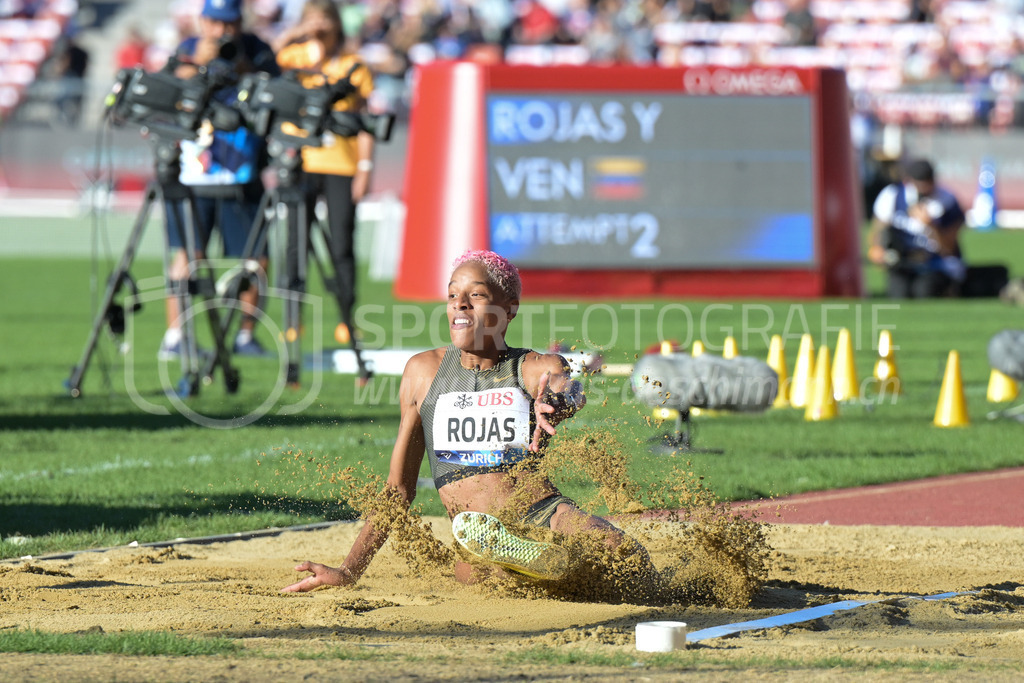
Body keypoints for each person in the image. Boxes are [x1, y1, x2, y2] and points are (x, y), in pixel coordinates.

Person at [282, 250, 658, 596]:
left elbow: (567, 387)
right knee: (489, 575)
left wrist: (558, 402)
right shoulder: (423, 372)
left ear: (509, 309)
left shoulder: (532, 367)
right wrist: (349, 571)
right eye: (451, 295)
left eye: (475, 295)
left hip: (543, 514)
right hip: (477, 544)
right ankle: (539, 562)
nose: (459, 303)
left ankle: (559, 562)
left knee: (622, 555)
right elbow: (398, 492)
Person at [158, 0, 281, 360]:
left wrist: (242, 67)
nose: (222, 32)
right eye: (215, 23)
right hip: (194, 172)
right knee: (187, 255)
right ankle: (175, 336)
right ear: (203, 22)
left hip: (243, 173)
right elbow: (171, 94)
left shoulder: (256, 50)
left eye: (228, 24)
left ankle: (245, 335)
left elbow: (273, 93)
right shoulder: (186, 50)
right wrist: (200, 61)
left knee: (256, 258)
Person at [273, 0, 376, 346]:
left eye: (324, 18)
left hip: (341, 165)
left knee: (341, 244)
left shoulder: (353, 66)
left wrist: (365, 168)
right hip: (301, 162)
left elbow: (365, 123)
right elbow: (267, 61)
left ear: (337, 24)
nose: (318, 24)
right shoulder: (295, 58)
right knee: (295, 244)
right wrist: (296, 34)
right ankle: (292, 319)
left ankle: (347, 318)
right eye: (312, 18)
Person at [867, 158, 966, 299]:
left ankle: (950, 290)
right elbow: (877, 230)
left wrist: (930, 225)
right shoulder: (892, 196)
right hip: (904, 262)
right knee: (899, 294)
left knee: (924, 291)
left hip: (936, 264)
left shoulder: (947, 200)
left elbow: (949, 249)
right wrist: (878, 249)